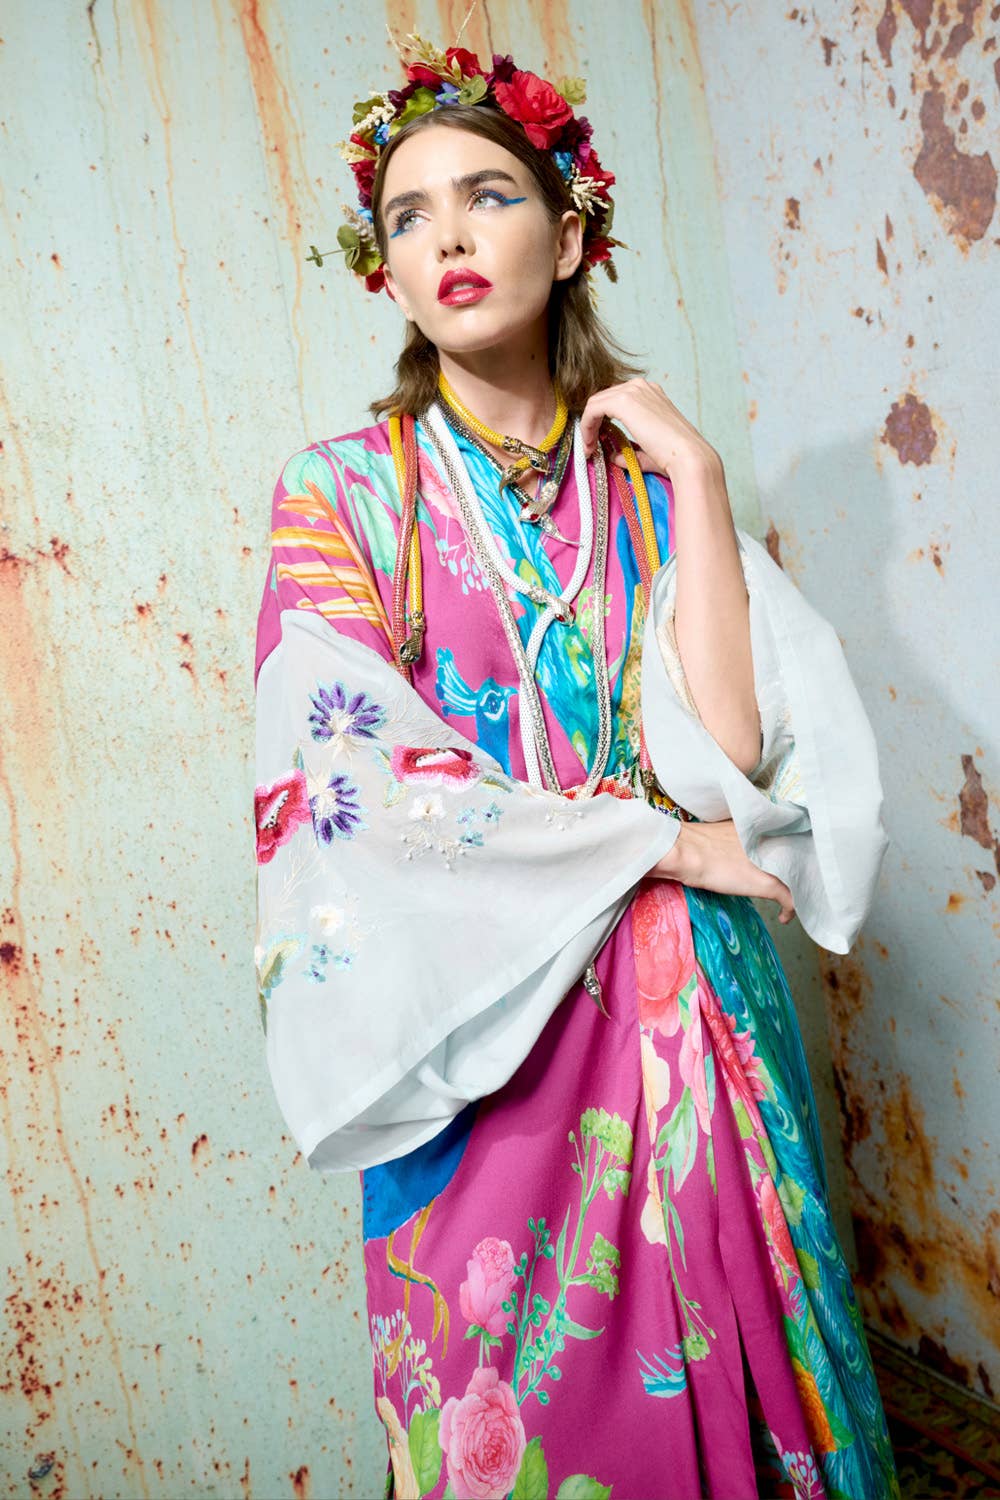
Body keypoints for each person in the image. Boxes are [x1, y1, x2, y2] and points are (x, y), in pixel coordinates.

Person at [253, 30, 899, 1500]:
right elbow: (353, 799)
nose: (448, 237)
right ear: (389, 268)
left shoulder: (648, 480)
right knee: (527, 1430)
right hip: (484, 1035)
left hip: (690, 1018)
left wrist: (700, 482)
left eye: (487, 194)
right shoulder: (343, 494)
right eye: (408, 216)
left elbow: (731, 758)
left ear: (573, 226)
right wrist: (661, 848)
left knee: (752, 1399)